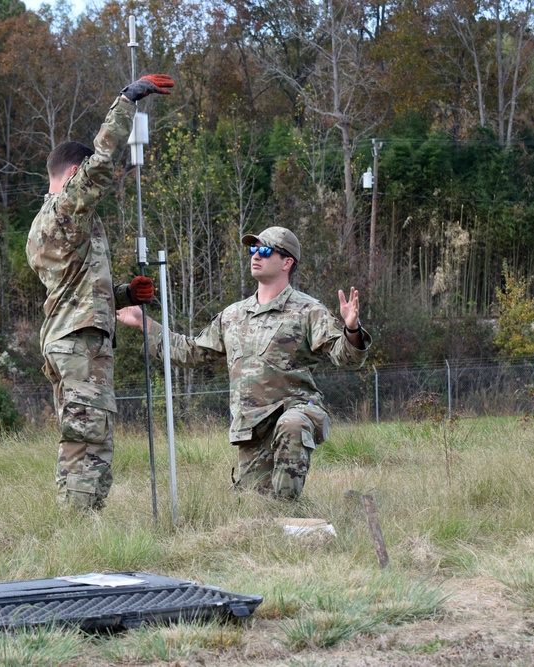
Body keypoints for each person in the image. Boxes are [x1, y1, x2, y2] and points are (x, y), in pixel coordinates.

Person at [116, 226, 372, 500]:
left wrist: (352, 329)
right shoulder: (234, 315)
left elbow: (345, 357)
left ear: (287, 262)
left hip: (295, 410)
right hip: (251, 426)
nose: (256, 256)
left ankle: (288, 515)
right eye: (253, 249)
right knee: (254, 506)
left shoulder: (308, 311)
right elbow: (190, 352)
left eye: (264, 250)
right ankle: (282, 518)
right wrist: (145, 324)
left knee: (292, 427)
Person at [26, 74, 174, 510]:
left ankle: (80, 520)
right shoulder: (64, 209)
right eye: (82, 177)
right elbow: (103, 160)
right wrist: (128, 100)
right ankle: (78, 521)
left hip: (71, 337)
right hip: (77, 344)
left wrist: (125, 294)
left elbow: (76, 288)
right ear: (72, 174)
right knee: (88, 438)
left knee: (86, 434)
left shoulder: (47, 224)